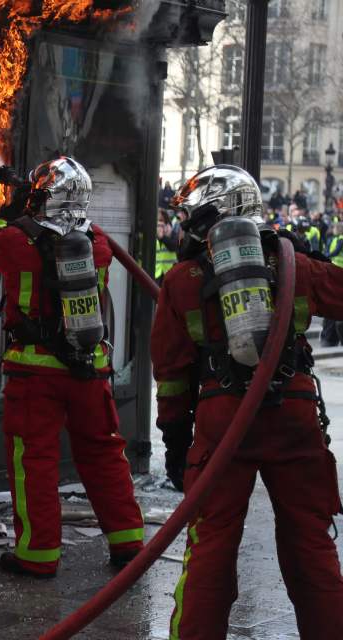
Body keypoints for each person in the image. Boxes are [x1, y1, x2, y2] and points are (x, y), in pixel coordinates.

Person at [152, 164, 343, 639]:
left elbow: (171, 373)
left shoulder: (181, 279)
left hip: (222, 418)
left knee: (211, 546)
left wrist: (175, 439)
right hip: (293, 412)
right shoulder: (294, 265)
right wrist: (308, 260)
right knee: (310, 545)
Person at [0, 157, 145, 578]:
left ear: (40, 197)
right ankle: (128, 542)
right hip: (90, 369)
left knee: (33, 460)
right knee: (104, 453)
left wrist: (12, 210)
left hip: (37, 374)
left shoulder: (17, 241)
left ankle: (37, 555)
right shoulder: (99, 241)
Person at [321, 222, 343, 347]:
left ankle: (330, 337)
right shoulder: (334, 238)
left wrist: (325, 257)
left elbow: (335, 252)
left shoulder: (341, 239)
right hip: (334, 270)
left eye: (335, 228)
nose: (333, 229)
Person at [155, 209, 178, 283]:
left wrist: (163, 237)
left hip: (169, 272)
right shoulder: (151, 233)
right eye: (157, 220)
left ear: (166, 222)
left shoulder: (171, 233)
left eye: (161, 220)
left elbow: (173, 247)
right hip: (155, 273)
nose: (159, 223)